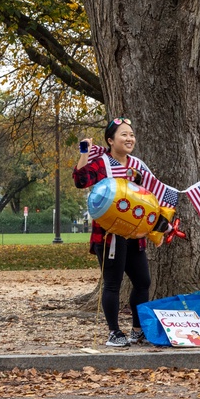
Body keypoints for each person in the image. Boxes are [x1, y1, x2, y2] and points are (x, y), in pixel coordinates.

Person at [73, 118, 153, 348]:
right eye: (124, 135)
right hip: (109, 236)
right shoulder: (101, 163)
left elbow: (147, 195)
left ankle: (137, 330)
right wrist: (84, 152)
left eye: (132, 135)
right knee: (112, 283)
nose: (130, 139)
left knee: (143, 281)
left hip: (135, 236)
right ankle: (114, 332)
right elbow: (80, 180)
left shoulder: (137, 166)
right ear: (110, 140)